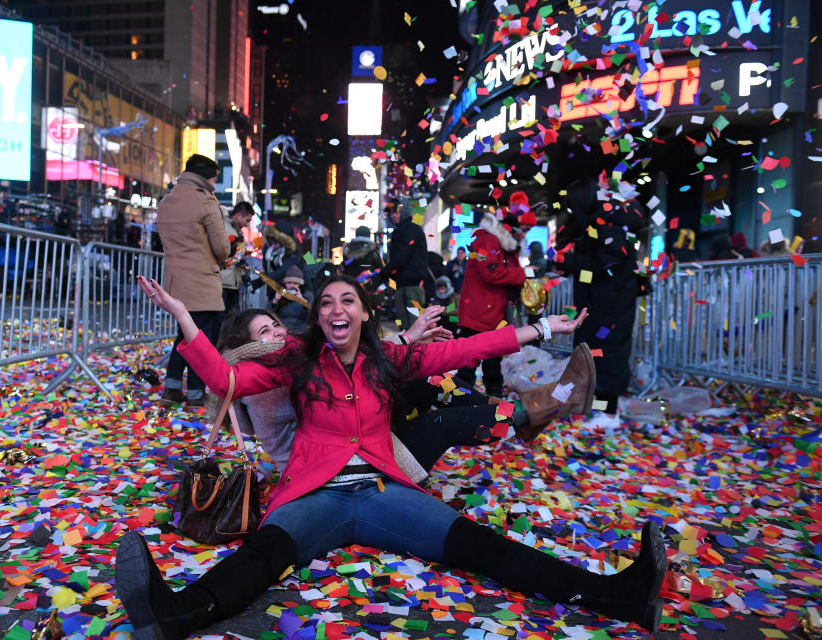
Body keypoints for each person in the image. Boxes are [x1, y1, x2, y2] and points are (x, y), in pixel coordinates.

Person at [122, 274, 668, 639]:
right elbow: (224, 377)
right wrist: (185, 321)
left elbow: (463, 349)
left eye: (347, 301)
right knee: (264, 556)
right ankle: (175, 612)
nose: (336, 309)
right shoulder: (297, 361)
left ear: (363, 314)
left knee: (479, 545)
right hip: (316, 493)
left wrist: (542, 329)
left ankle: (619, 595)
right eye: (326, 303)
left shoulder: (391, 360)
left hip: (385, 491)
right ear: (317, 319)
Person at [216, 305, 594, 476]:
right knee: (437, 424)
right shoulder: (263, 378)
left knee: (429, 381)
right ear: (245, 347)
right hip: (328, 472)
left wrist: (542, 327)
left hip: (352, 439)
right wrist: (407, 340)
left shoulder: (290, 357)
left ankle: (524, 415)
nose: (278, 334)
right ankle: (539, 409)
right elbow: (343, 364)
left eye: (276, 325)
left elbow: (355, 359)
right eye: (265, 332)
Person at [555, 173, 649, 429]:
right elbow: (596, 267)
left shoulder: (609, 222)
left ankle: (608, 415)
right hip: (602, 301)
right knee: (596, 354)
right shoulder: (603, 220)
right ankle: (600, 410)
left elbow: (606, 263)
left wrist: (571, 263)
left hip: (611, 304)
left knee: (608, 357)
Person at [157, 153, 230, 406]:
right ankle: (196, 392)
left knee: (185, 334)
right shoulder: (205, 201)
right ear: (207, 177)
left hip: (175, 282)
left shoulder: (167, 201)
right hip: (201, 281)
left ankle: (172, 386)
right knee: (201, 338)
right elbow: (221, 248)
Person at [456, 205, 527, 398]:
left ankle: (494, 403)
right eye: (523, 230)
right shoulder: (488, 240)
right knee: (469, 361)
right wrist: (523, 274)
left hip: (494, 313)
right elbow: (491, 272)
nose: (524, 234)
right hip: (479, 313)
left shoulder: (507, 245)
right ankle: (458, 402)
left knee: (493, 362)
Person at [380, 198, 428, 330]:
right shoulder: (403, 231)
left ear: (405, 211)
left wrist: (383, 274)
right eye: (391, 213)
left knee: (413, 328)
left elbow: (401, 257)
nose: (394, 215)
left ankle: (418, 351)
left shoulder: (410, 230)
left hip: (410, 287)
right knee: (407, 328)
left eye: (397, 212)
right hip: (404, 286)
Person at [219, 201, 253, 315]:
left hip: (233, 280)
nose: (247, 224)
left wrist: (243, 274)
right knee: (222, 316)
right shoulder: (224, 227)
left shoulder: (239, 232)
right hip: (224, 279)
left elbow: (239, 256)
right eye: (247, 220)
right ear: (238, 215)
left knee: (231, 315)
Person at [272, 266, 308, 334]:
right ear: (285, 284)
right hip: (282, 332)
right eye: (289, 283)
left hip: (299, 332)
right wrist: (275, 301)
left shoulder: (307, 296)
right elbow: (269, 315)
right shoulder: (279, 296)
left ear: (300, 285)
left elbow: (311, 317)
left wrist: (303, 301)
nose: (292, 286)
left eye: (295, 283)